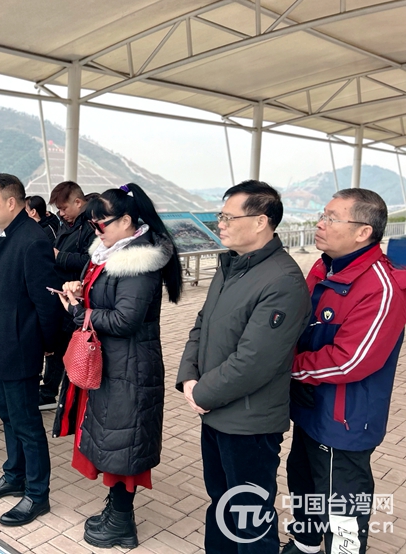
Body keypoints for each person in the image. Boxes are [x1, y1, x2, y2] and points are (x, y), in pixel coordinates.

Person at [176, 180, 311, 554]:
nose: (220, 224)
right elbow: (202, 323)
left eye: (228, 217)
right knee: (220, 500)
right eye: (219, 216)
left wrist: (201, 393)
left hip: (249, 423)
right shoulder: (232, 265)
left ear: (261, 221)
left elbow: (254, 361)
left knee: (249, 516)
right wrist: (188, 377)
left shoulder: (282, 280)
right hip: (216, 412)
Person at [55, 183, 183, 549]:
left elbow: (125, 319)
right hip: (116, 364)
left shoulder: (138, 262)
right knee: (114, 438)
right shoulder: (113, 252)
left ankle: (122, 523)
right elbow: (108, 302)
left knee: (125, 443)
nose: (96, 231)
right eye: (92, 225)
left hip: (131, 367)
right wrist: (81, 291)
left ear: (126, 221)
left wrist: (80, 312)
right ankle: (116, 512)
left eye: (101, 224)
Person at [282, 189, 406, 554]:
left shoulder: (380, 287)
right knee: (304, 482)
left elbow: (351, 359)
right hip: (310, 406)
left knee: (343, 505)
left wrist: (287, 368)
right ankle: (305, 544)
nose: (320, 223)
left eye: (332, 218)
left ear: (363, 232)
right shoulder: (325, 268)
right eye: (323, 215)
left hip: (344, 419)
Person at [0, 173, 60, 527]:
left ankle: (37, 494)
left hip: (20, 345)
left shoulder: (33, 239)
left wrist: (48, 345)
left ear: (11, 202)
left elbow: (46, 301)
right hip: (2, 344)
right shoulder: (8, 234)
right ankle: (14, 475)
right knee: (8, 415)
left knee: (26, 422)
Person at [40, 181, 96, 409]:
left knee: (72, 347)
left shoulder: (90, 226)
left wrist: (59, 256)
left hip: (78, 298)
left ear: (78, 202)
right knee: (57, 346)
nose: (61, 214)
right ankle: (50, 390)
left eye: (63, 208)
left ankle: (63, 393)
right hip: (62, 294)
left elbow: (91, 262)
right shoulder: (67, 224)